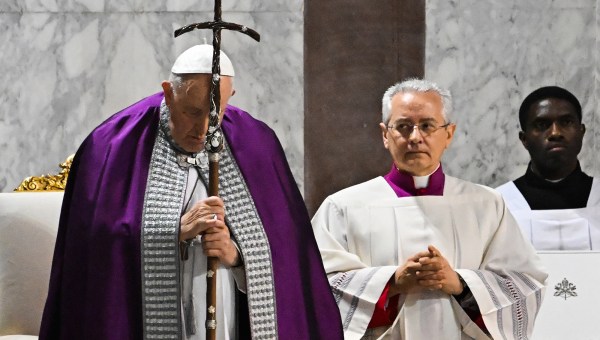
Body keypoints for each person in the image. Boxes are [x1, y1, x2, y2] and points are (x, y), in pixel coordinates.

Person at [39, 45, 343, 340]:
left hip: (225, 314)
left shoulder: (258, 145)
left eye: (215, 114)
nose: (203, 129)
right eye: (192, 112)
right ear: (169, 93)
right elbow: (92, 256)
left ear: (231, 98)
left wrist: (237, 256)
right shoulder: (112, 145)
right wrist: (171, 233)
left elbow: (289, 257)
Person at [311, 79, 548, 339]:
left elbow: (524, 285)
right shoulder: (343, 207)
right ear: (385, 135)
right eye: (403, 127)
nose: (415, 137)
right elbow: (316, 287)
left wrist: (460, 284)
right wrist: (391, 283)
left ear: (449, 133)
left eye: (427, 126)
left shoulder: (486, 204)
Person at [496, 86, 600, 250]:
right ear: (524, 139)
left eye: (566, 122)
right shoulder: (498, 205)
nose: (555, 133)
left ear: (581, 131)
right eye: (542, 124)